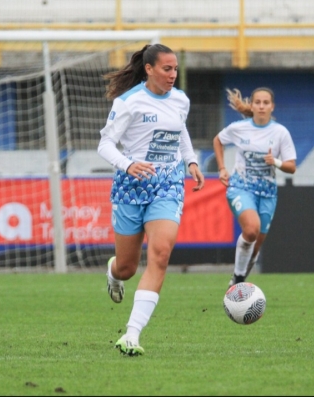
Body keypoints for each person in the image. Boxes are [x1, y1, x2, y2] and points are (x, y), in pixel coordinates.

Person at [98, 43, 205, 356]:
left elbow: (180, 132)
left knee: (160, 252)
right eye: (166, 69)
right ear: (149, 69)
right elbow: (105, 144)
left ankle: (131, 334)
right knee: (128, 268)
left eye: (175, 69)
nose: (173, 75)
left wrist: (191, 161)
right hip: (131, 186)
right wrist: (128, 164)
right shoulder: (128, 102)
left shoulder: (180, 100)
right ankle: (113, 272)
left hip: (168, 185)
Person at [213, 87, 297, 287]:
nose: (261, 106)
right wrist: (222, 169)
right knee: (251, 229)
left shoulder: (280, 132)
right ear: (252, 105)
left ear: (272, 106)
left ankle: (238, 279)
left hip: (267, 194)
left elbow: (291, 167)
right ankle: (239, 280)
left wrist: (275, 162)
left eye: (265, 103)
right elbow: (218, 140)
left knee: (255, 247)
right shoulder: (239, 128)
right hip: (241, 187)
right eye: (257, 102)